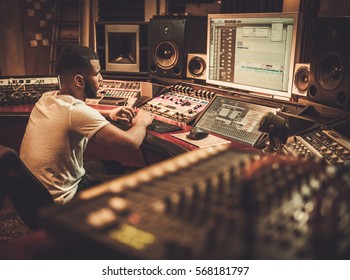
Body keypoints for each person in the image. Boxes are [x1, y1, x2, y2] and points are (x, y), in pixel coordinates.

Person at [20, 45, 153, 204]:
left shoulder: (47, 98)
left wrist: (108, 113)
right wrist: (142, 122)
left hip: (35, 193)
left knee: (114, 166)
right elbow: (132, 143)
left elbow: (72, 115)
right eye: (97, 74)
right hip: (62, 199)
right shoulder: (77, 112)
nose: (102, 79)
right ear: (79, 80)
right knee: (137, 185)